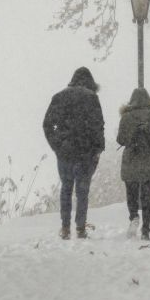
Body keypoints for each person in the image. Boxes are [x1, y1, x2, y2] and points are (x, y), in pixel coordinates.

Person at [43, 67, 105, 240]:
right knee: (82, 190)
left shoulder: (59, 97)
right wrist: (98, 148)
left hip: (65, 152)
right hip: (86, 151)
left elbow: (48, 124)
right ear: (90, 83)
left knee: (66, 189)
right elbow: (98, 125)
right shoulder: (92, 98)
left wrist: (58, 144)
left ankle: (64, 228)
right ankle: (80, 228)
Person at [116, 87, 150, 241]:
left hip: (131, 161)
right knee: (147, 198)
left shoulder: (126, 117)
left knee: (131, 195)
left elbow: (120, 140)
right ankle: (146, 229)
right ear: (149, 99)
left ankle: (134, 216)